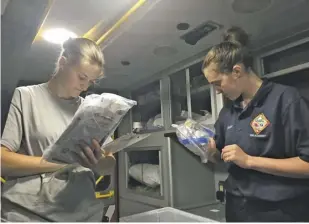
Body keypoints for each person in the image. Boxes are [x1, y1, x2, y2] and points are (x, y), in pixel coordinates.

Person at [1, 38, 115, 222]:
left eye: (91, 81)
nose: (84, 86)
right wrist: (63, 163)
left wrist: (100, 162)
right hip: (30, 213)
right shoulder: (26, 96)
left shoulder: (92, 110)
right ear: (63, 63)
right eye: (82, 77)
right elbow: (2, 161)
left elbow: (108, 163)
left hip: (83, 213)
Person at [202, 27, 309, 222]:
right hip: (236, 207)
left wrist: (250, 161)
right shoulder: (228, 112)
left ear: (237, 71)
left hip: (278, 211)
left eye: (218, 83)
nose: (217, 91)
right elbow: (220, 157)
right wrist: (210, 152)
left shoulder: (286, 100)